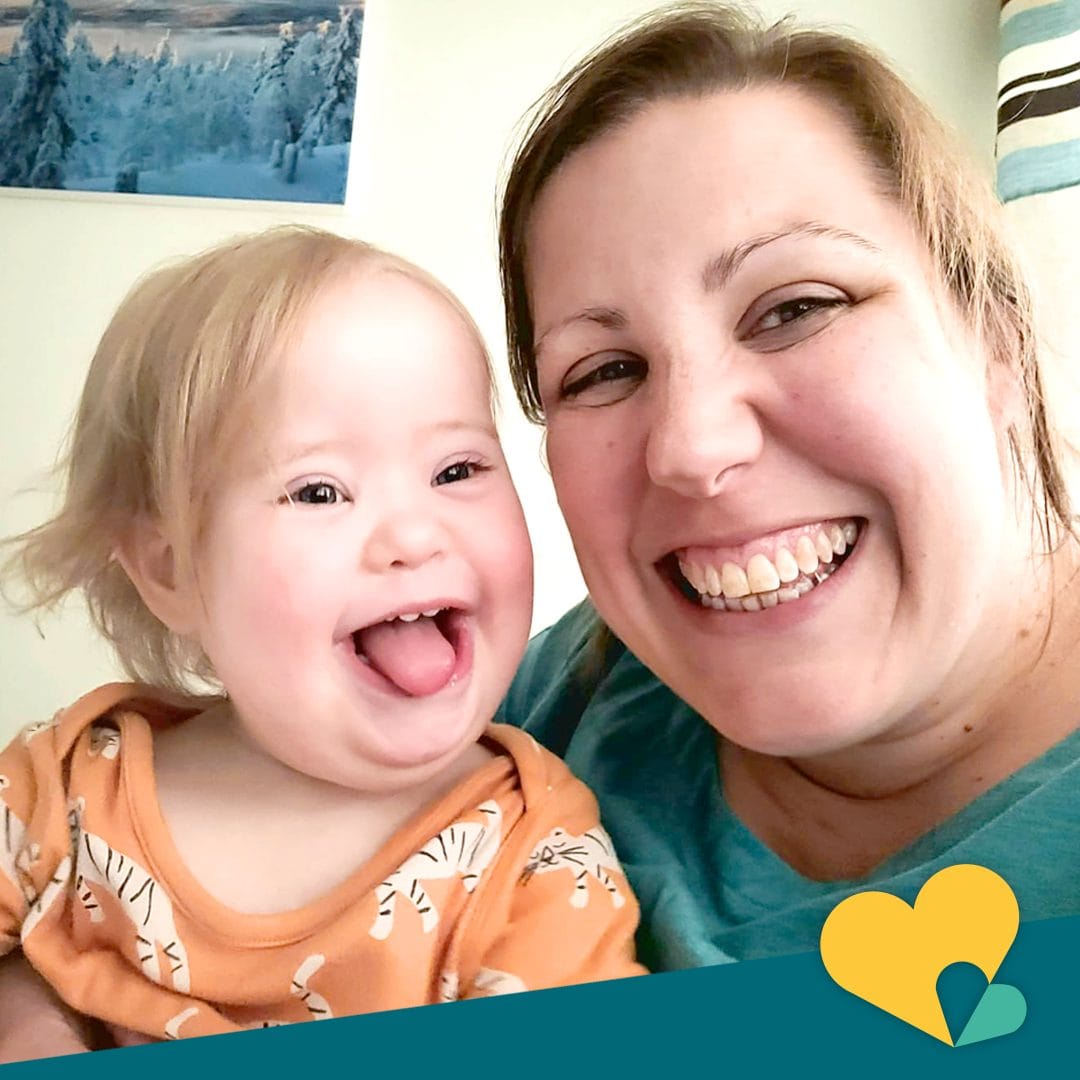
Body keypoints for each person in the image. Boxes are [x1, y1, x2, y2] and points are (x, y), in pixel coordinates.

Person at [495, 1, 1080, 971]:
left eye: (796, 308)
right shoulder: (552, 701)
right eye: (604, 371)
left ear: (997, 340)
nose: (691, 447)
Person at [0, 226, 643, 1056]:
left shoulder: (535, 862)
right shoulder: (65, 790)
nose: (413, 534)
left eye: (456, 471)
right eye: (318, 491)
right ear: (171, 570)